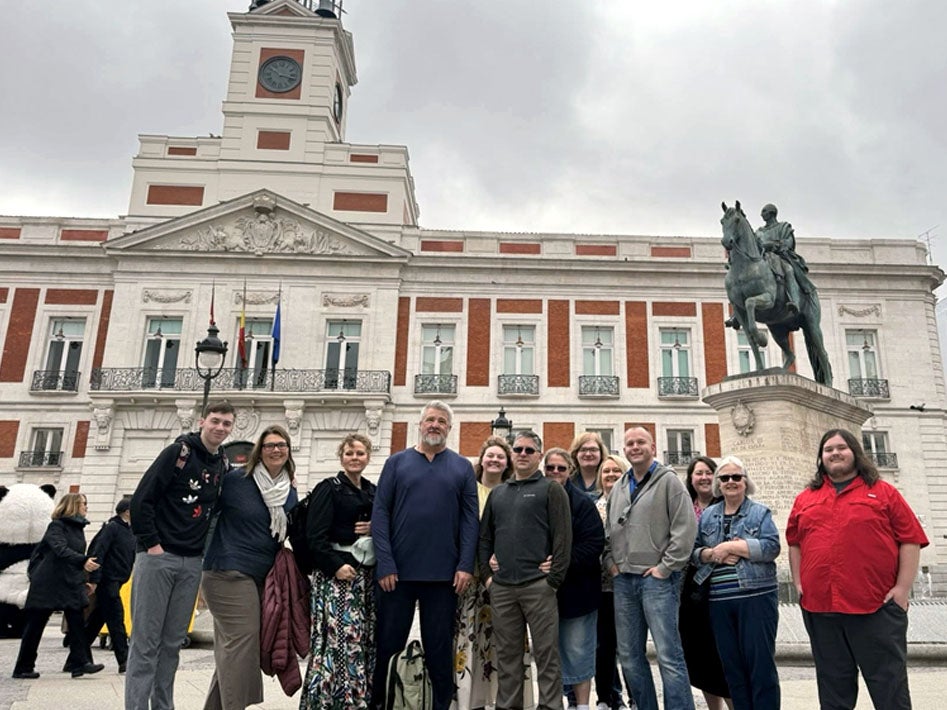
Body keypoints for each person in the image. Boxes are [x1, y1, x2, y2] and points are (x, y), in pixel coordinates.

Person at [787, 428, 929, 710]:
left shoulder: (884, 492)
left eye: (842, 447)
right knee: (833, 687)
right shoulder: (806, 498)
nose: (835, 453)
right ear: (821, 458)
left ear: (855, 453)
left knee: (889, 686)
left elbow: (911, 540)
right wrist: (799, 583)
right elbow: (795, 542)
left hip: (876, 608)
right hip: (821, 608)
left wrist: (901, 590)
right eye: (828, 449)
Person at [126, 401, 235, 710]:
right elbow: (141, 501)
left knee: (172, 644)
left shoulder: (222, 464)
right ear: (203, 421)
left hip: (191, 563)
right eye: (215, 420)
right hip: (158, 558)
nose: (220, 428)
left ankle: (163, 706)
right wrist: (153, 546)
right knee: (146, 643)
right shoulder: (177, 453)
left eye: (227, 424)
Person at [372, 401, 480, 710]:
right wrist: (386, 562)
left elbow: (470, 519)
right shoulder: (396, 463)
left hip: (444, 576)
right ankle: (382, 702)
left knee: (439, 649)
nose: (435, 425)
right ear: (420, 425)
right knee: (388, 645)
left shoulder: (461, 467)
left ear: (449, 427)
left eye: (441, 421)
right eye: (430, 419)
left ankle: (440, 705)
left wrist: (464, 565)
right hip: (397, 575)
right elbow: (381, 513)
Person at [202, 424, 297, 709]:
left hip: (260, 577)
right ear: (259, 450)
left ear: (289, 450)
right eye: (269, 445)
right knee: (243, 643)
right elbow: (203, 513)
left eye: (281, 445)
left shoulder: (287, 491)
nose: (276, 450)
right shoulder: (236, 480)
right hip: (227, 572)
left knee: (235, 649)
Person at [603, 426, 696, 710]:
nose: (634, 447)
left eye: (640, 442)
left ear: (653, 447)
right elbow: (608, 532)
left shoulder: (670, 481)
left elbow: (685, 527)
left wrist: (665, 568)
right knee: (629, 656)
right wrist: (611, 565)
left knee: (669, 655)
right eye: (629, 443)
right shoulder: (619, 487)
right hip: (623, 581)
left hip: (658, 581)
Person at [480, 431, 572, 710]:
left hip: (539, 586)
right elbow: (485, 539)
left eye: (529, 450)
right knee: (507, 656)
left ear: (539, 456)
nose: (522, 453)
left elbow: (563, 538)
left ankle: (550, 706)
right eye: (517, 449)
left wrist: (553, 580)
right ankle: (508, 706)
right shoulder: (498, 493)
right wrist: (488, 578)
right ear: (511, 454)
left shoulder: (551, 489)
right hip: (503, 588)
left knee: (546, 655)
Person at [692, 457, 780, 709]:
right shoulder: (707, 516)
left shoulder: (759, 512)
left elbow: (772, 546)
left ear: (745, 481)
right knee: (732, 668)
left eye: (736, 477)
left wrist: (734, 547)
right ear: (718, 484)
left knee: (760, 665)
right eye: (725, 478)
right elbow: (694, 553)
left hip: (756, 597)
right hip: (719, 601)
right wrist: (711, 554)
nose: (730, 482)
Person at [301, 433, 377, 709]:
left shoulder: (372, 490)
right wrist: (336, 566)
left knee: (361, 640)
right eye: (349, 453)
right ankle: (332, 702)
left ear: (368, 456)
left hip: (364, 576)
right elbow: (315, 536)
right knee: (339, 641)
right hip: (337, 577)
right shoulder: (329, 488)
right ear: (341, 457)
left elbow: (385, 524)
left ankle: (357, 699)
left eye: (359, 453)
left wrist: (374, 527)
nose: (355, 458)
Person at [454, 435, 529, 710]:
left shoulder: (514, 490)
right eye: (491, 455)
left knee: (504, 639)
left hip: (505, 579)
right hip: (471, 577)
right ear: (482, 459)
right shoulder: (467, 490)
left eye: (501, 456)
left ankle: (505, 699)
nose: (495, 460)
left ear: (507, 462)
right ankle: (470, 699)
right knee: (471, 636)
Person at [12, 493, 104, 679]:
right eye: (84, 504)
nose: (86, 507)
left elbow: (71, 557)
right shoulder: (57, 526)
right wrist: (83, 561)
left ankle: (78, 663)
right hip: (48, 583)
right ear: (73, 506)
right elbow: (60, 550)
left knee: (77, 622)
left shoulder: (78, 528)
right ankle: (23, 667)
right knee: (35, 626)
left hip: (69, 582)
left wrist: (83, 578)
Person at [544, 448, 605, 710]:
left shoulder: (582, 503)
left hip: (579, 590)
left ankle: (581, 705)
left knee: (579, 651)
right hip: (543, 592)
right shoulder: (537, 498)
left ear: (570, 471)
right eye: (550, 468)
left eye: (561, 468)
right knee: (548, 653)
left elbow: (594, 544)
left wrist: (560, 562)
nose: (555, 472)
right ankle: (553, 702)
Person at [679, 457, 731, 710]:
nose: (704, 478)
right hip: (689, 588)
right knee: (699, 652)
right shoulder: (684, 507)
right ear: (690, 479)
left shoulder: (727, 506)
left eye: (709, 472)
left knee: (722, 651)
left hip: (721, 583)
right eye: (698, 473)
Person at [76, 495, 136, 674]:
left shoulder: (129, 530)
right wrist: (94, 580)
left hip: (117, 580)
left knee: (97, 620)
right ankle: (124, 661)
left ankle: (76, 658)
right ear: (127, 512)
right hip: (107, 581)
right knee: (116, 619)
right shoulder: (112, 528)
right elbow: (97, 553)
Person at [594, 454, 632, 710]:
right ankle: (607, 697)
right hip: (603, 587)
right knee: (604, 647)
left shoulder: (633, 503)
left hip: (630, 584)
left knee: (630, 646)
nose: (610, 475)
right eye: (606, 471)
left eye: (616, 471)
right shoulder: (594, 506)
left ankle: (637, 696)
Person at [756, 203, 815, 314]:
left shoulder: (783, 227)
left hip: (780, 257)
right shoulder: (759, 232)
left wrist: (772, 245)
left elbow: (788, 243)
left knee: (789, 270)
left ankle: (795, 302)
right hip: (762, 258)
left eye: (764, 211)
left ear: (772, 213)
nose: (761, 214)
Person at [569, 432, 606, 500]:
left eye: (593, 450)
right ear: (575, 454)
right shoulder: (567, 481)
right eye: (583, 450)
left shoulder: (609, 478)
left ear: (601, 453)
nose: (588, 454)